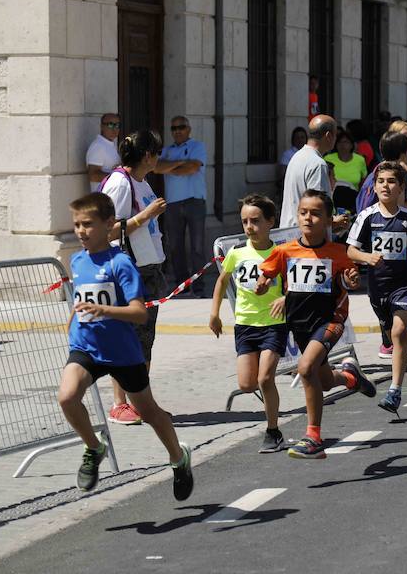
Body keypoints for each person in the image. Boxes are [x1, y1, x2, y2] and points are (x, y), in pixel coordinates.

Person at [61, 192, 193, 497]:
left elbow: (138, 313)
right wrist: (73, 322)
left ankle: (178, 457)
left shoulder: (121, 264)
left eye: (88, 224)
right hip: (86, 347)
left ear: (109, 224)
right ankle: (94, 448)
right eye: (77, 225)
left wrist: (104, 311)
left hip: (121, 351)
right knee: (67, 397)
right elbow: (82, 299)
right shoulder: (77, 260)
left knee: (149, 413)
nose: (81, 231)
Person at [256, 190, 375, 459]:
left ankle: (313, 437)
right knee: (322, 382)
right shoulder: (284, 251)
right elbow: (267, 275)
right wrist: (263, 286)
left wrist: (351, 280)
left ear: (328, 220)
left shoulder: (339, 252)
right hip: (300, 324)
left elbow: (348, 279)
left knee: (306, 368)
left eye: (316, 213)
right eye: (303, 213)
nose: (308, 218)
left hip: (330, 320)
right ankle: (349, 377)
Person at [347, 161, 407, 416]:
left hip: (405, 284)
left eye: (391, 181)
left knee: (398, 332)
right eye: (381, 181)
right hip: (378, 288)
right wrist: (366, 259)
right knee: (395, 336)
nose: (386, 186)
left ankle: (394, 390)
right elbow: (350, 249)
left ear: (401, 188)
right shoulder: (367, 217)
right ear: (375, 186)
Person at [209, 194, 288, 453]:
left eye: (255, 221)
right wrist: (215, 313)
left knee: (266, 378)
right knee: (246, 384)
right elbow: (222, 280)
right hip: (245, 325)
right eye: (244, 221)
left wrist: (285, 299)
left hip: (273, 324)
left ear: (270, 222)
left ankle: (273, 430)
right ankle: (272, 407)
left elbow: (295, 285)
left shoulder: (281, 253)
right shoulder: (237, 252)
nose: (249, 227)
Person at [100, 130, 168, 425]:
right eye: (157, 152)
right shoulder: (120, 182)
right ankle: (119, 403)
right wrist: (145, 216)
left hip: (149, 269)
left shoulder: (141, 181)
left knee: (144, 340)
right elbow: (107, 229)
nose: (158, 158)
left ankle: (141, 402)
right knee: (127, 338)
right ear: (147, 155)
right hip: (131, 271)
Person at [155, 116, 209, 297]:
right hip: (173, 203)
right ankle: (182, 285)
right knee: (175, 247)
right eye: (174, 128)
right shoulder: (167, 150)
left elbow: (193, 167)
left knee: (197, 247)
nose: (177, 130)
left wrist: (171, 167)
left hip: (195, 201)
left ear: (189, 129)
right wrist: (180, 163)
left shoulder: (198, 146)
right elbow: (156, 167)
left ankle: (199, 286)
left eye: (181, 127)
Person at [279, 115, 337, 229]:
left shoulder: (297, 157)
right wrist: (335, 222)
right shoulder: (318, 164)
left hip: (291, 231)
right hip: (306, 238)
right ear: (328, 136)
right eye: (336, 135)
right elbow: (317, 208)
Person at [324, 130, 368, 214]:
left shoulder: (360, 160)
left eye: (346, 142)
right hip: (333, 202)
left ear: (352, 145)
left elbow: (363, 183)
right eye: (340, 142)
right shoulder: (327, 158)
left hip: (353, 203)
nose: (343, 145)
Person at [85, 113, 122, 192]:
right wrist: (119, 175)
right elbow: (93, 175)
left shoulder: (110, 144)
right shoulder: (98, 146)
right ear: (102, 126)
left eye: (117, 125)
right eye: (110, 125)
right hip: (101, 199)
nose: (114, 129)